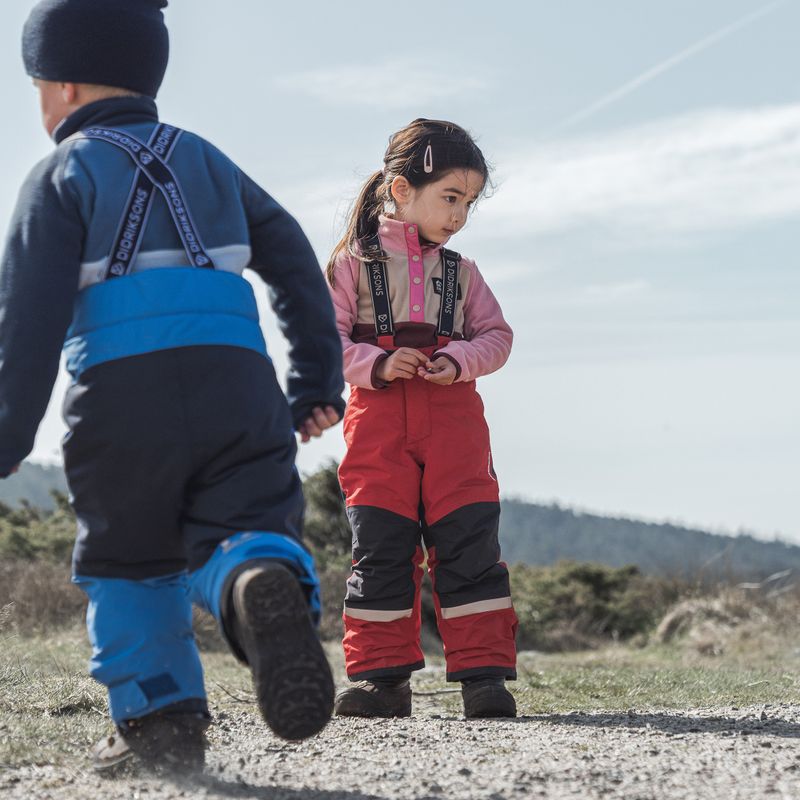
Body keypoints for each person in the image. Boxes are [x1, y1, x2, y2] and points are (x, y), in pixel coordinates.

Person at [0, 0, 345, 771]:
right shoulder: (210, 161)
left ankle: (163, 725)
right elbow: (292, 259)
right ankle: (255, 576)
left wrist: (7, 432)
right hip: (238, 386)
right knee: (248, 520)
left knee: (131, 559)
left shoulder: (60, 175)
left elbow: (24, 322)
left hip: (121, 402)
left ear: (59, 86)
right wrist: (316, 379)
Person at [326, 118, 518, 719]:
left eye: (469, 203)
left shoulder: (464, 274)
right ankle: (383, 683)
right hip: (378, 427)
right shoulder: (349, 267)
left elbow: (498, 336)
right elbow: (321, 343)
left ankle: (484, 679)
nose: (459, 215)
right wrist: (377, 364)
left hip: (455, 425)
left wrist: (459, 358)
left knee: (468, 544)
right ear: (402, 190)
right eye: (451, 197)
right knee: (381, 549)